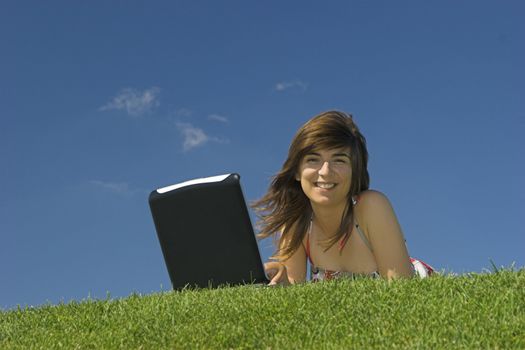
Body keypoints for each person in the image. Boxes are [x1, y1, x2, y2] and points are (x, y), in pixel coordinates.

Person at [252, 110, 433, 285]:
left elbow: (400, 289)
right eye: (313, 160)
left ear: (355, 171)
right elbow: (292, 294)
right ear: (297, 171)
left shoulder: (371, 207)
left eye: (339, 160)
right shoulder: (297, 222)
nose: (325, 172)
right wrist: (280, 277)